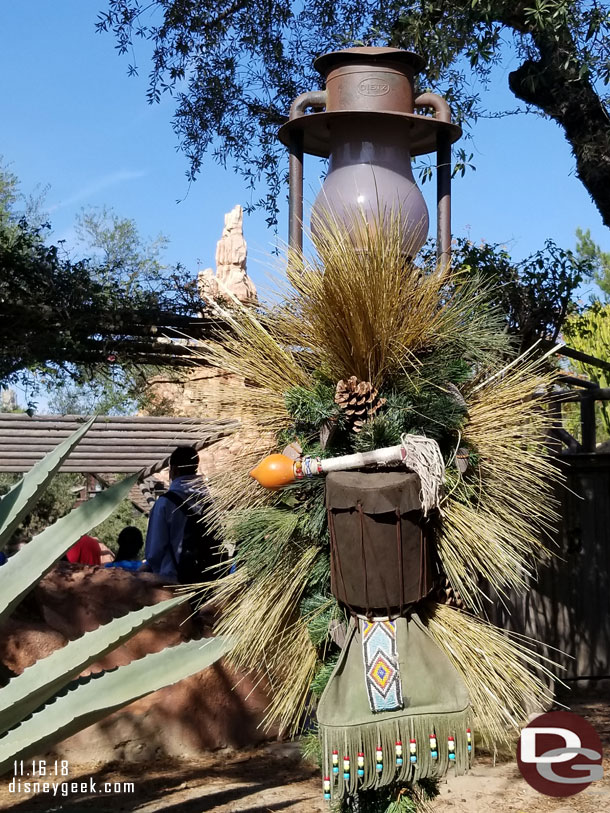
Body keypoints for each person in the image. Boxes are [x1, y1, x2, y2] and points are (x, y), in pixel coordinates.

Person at [144, 445, 222, 584]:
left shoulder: (165, 503)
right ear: (195, 468)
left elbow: (154, 551)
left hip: (173, 581)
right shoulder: (208, 501)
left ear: (173, 470)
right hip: (206, 580)